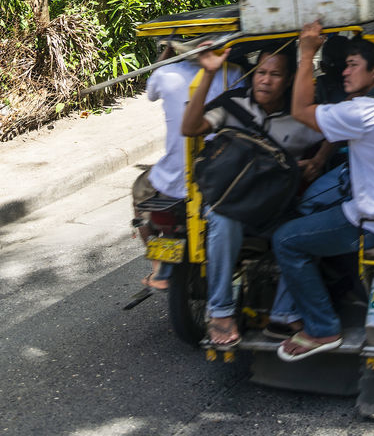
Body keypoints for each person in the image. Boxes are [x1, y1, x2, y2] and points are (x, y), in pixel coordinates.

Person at [271, 22, 374, 363]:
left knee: (286, 239)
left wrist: (307, 52)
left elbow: (300, 111)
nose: (344, 71)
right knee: (316, 207)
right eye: (344, 65)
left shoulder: (363, 111)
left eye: (352, 64)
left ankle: (322, 326)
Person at [180, 45, 330, 348]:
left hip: (276, 210)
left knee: (310, 230)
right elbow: (190, 127)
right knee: (222, 218)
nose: (265, 80)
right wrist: (208, 73)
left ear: (288, 81)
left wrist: (319, 160)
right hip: (235, 204)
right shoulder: (233, 105)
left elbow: (335, 132)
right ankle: (221, 312)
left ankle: (283, 314)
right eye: (261, 72)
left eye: (275, 75)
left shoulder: (302, 115)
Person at [132, 40, 241, 292]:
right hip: (219, 175)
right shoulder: (234, 72)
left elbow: (151, 92)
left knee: (139, 195)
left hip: (171, 179)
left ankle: (158, 265)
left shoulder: (164, 74)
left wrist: (166, 54)